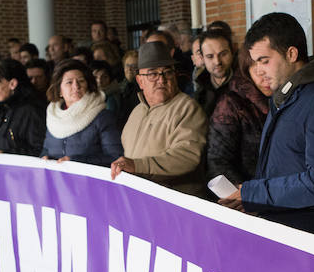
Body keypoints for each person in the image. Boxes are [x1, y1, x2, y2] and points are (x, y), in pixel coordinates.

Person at [220, 13, 314, 239]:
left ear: (291, 54)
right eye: (255, 62)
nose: (259, 70)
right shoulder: (285, 97)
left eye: (264, 61)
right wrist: (255, 200)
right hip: (287, 229)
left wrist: (254, 193)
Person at [111, 41, 207, 196]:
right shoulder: (137, 111)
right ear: (140, 81)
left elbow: (187, 156)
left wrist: (138, 165)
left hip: (174, 204)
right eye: (153, 74)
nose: (161, 80)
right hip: (142, 200)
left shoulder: (187, 108)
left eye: (167, 72)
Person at [206, 42, 273, 186]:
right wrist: (244, 195)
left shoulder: (288, 97)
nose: (264, 76)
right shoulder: (231, 104)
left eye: (267, 63)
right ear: (246, 70)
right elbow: (218, 160)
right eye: (255, 67)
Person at [41, 59, 123, 166]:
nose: (76, 86)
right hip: (57, 180)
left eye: (81, 81)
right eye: (69, 82)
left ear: (88, 85)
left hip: (89, 180)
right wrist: (44, 157)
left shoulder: (102, 117)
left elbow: (115, 157)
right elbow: (46, 149)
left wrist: (76, 161)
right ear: (59, 90)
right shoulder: (54, 116)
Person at [0, 58, 46, 155]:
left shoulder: (31, 111)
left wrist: (7, 155)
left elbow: (39, 151)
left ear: (12, 84)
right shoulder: (0, 110)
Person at [193, 29, 235, 117]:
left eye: (223, 54)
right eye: (210, 56)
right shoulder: (200, 94)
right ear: (202, 58)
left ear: (232, 52)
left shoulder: (246, 87)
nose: (217, 61)